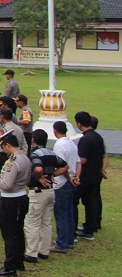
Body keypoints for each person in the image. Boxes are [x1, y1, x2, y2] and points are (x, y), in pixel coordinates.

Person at [24, 129, 67, 263]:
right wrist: (53, 174)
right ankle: (44, 251)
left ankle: (32, 253)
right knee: (46, 222)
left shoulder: (35, 154)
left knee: (32, 222)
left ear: (33, 140)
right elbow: (65, 166)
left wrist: (39, 178)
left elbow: (38, 168)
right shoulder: (51, 153)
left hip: (38, 192)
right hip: (50, 191)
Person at [0, 131, 31, 277]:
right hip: (21, 196)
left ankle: (10, 266)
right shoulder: (25, 158)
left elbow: (7, 185)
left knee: (9, 235)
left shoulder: (12, 162)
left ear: (8, 145)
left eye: (3, 147)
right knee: (18, 231)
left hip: (10, 200)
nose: (3, 150)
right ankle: (19, 261)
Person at [74, 111, 106, 239]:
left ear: (79, 123)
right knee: (91, 201)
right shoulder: (98, 137)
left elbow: (83, 159)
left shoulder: (85, 139)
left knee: (74, 200)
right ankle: (91, 227)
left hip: (85, 176)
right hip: (95, 174)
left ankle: (80, 229)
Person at [51, 120, 80, 253]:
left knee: (61, 213)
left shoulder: (59, 145)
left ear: (55, 131)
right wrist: (76, 177)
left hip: (62, 181)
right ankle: (69, 240)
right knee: (69, 212)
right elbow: (78, 162)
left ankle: (62, 243)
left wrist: (67, 177)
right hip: (71, 180)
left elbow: (63, 166)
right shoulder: (72, 144)